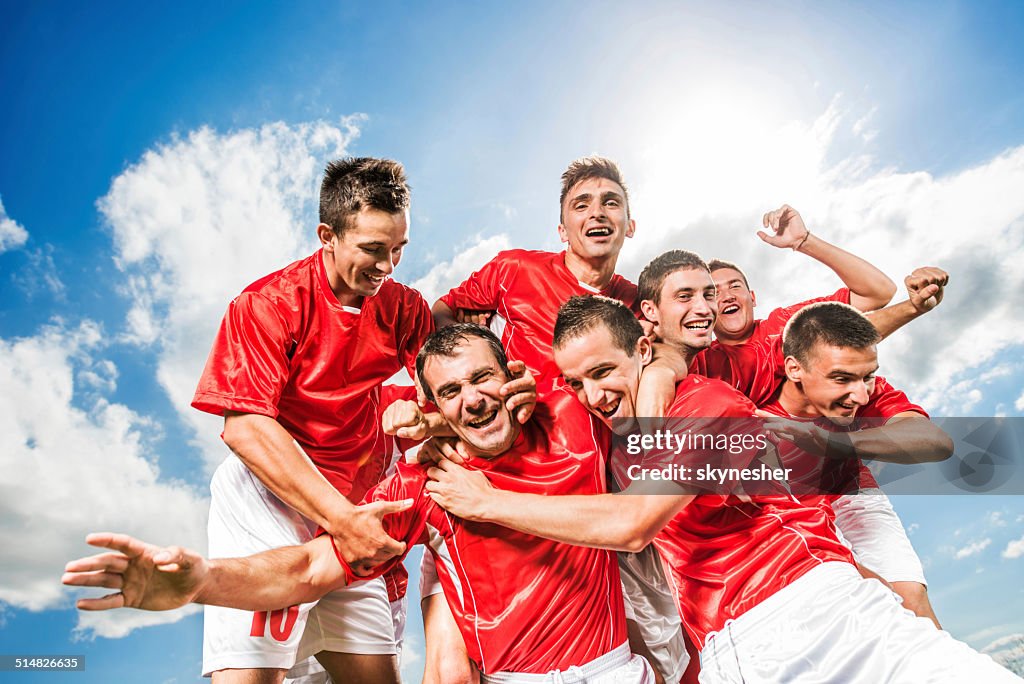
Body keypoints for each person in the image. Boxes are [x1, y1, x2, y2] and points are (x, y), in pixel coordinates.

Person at [423, 262, 1020, 682]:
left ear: (643, 349)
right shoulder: (601, 426)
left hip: (819, 608)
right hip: (734, 650)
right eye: (576, 382)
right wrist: (425, 419)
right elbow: (492, 409)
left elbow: (636, 524)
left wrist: (486, 502)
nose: (592, 394)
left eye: (604, 371)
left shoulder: (711, 405)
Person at [64, 324, 656, 683]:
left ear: (515, 375)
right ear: (434, 407)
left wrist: (749, 438)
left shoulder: (576, 412)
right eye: (451, 391)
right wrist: (202, 582)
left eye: (482, 379)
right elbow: (309, 568)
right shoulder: (424, 484)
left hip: (614, 670)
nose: (473, 401)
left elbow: (658, 370)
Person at [189, 158, 534, 684]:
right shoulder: (266, 305)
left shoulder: (403, 308)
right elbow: (244, 427)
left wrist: (506, 394)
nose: (388, 266)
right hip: (268, 502)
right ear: (327, 235)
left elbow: (449, 398)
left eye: (398, 249)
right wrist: (343, 520)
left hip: (357, 495)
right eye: (373, 249)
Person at [429, 156, 685, 683]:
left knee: (649, 641)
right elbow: (444, 317)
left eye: (611, 203)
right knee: (454, 664)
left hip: (601, 479)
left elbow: (673, 351)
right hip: (514, 467)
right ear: (561, 227)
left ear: (629, 224)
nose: (598, 213)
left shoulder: (638, 302)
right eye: (581, 204)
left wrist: (659, 375)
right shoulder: (514, 270)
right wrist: (456, 388)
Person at [754, 299, 951, 627]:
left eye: (867, 377)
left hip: (853, 497)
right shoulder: (754, 408)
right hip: (790, 513)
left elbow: (936, 442)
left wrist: (835, 443)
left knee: (910, 605)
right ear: (794, 369)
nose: (860, 395)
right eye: (841, 379)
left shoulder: (865, 390)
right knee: (859, 609)